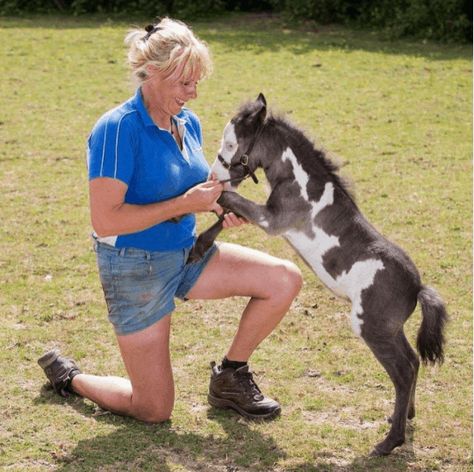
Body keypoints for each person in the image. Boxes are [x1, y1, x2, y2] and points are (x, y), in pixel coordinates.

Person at [38, 18, 302, 422]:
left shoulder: (187, 122)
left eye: (197, 82)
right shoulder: (116, 128)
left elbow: (195, 190)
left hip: (186, 255)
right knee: (153, 409)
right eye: (184, 83)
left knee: (284, 279)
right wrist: (185, 204)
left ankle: (230, 376)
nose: (193, 92)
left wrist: (219, 206)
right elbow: (105, 220)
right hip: (133, 268)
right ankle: (70, 377)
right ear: (154, 73)